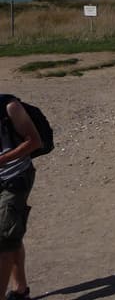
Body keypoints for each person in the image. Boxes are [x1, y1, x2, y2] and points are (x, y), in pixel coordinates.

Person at [0, 95, 40, 300]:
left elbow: (34, 141)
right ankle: (20, 290)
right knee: (11, 235)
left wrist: (3, 160)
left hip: (15, 178)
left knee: (4, 242)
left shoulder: (10, 107)